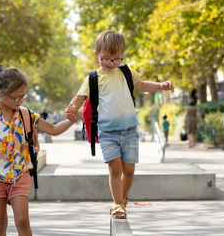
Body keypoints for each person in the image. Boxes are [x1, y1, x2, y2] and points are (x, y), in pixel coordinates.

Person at [66, 30, 174, 219]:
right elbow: (79, 98)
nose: (111, 64)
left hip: (130, 129)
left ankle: (122, 200)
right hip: (107, 131)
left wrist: (160, 86)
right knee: (115, 169)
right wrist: (71, 108)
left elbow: (141, 85)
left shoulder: (125, 71)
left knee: (129, 171)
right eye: (106, 59)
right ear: (97, 54)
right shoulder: (93, 78)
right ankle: (117, 205)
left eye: (117, 59)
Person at [0, 65, 78, 236]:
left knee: (22, 221)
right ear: (0, 94)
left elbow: (53, 129)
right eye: (16, 97)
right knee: (0, 224)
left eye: (23, 95)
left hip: (20, 174)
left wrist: (70, 120)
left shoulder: (27, 115)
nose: (21, 100)